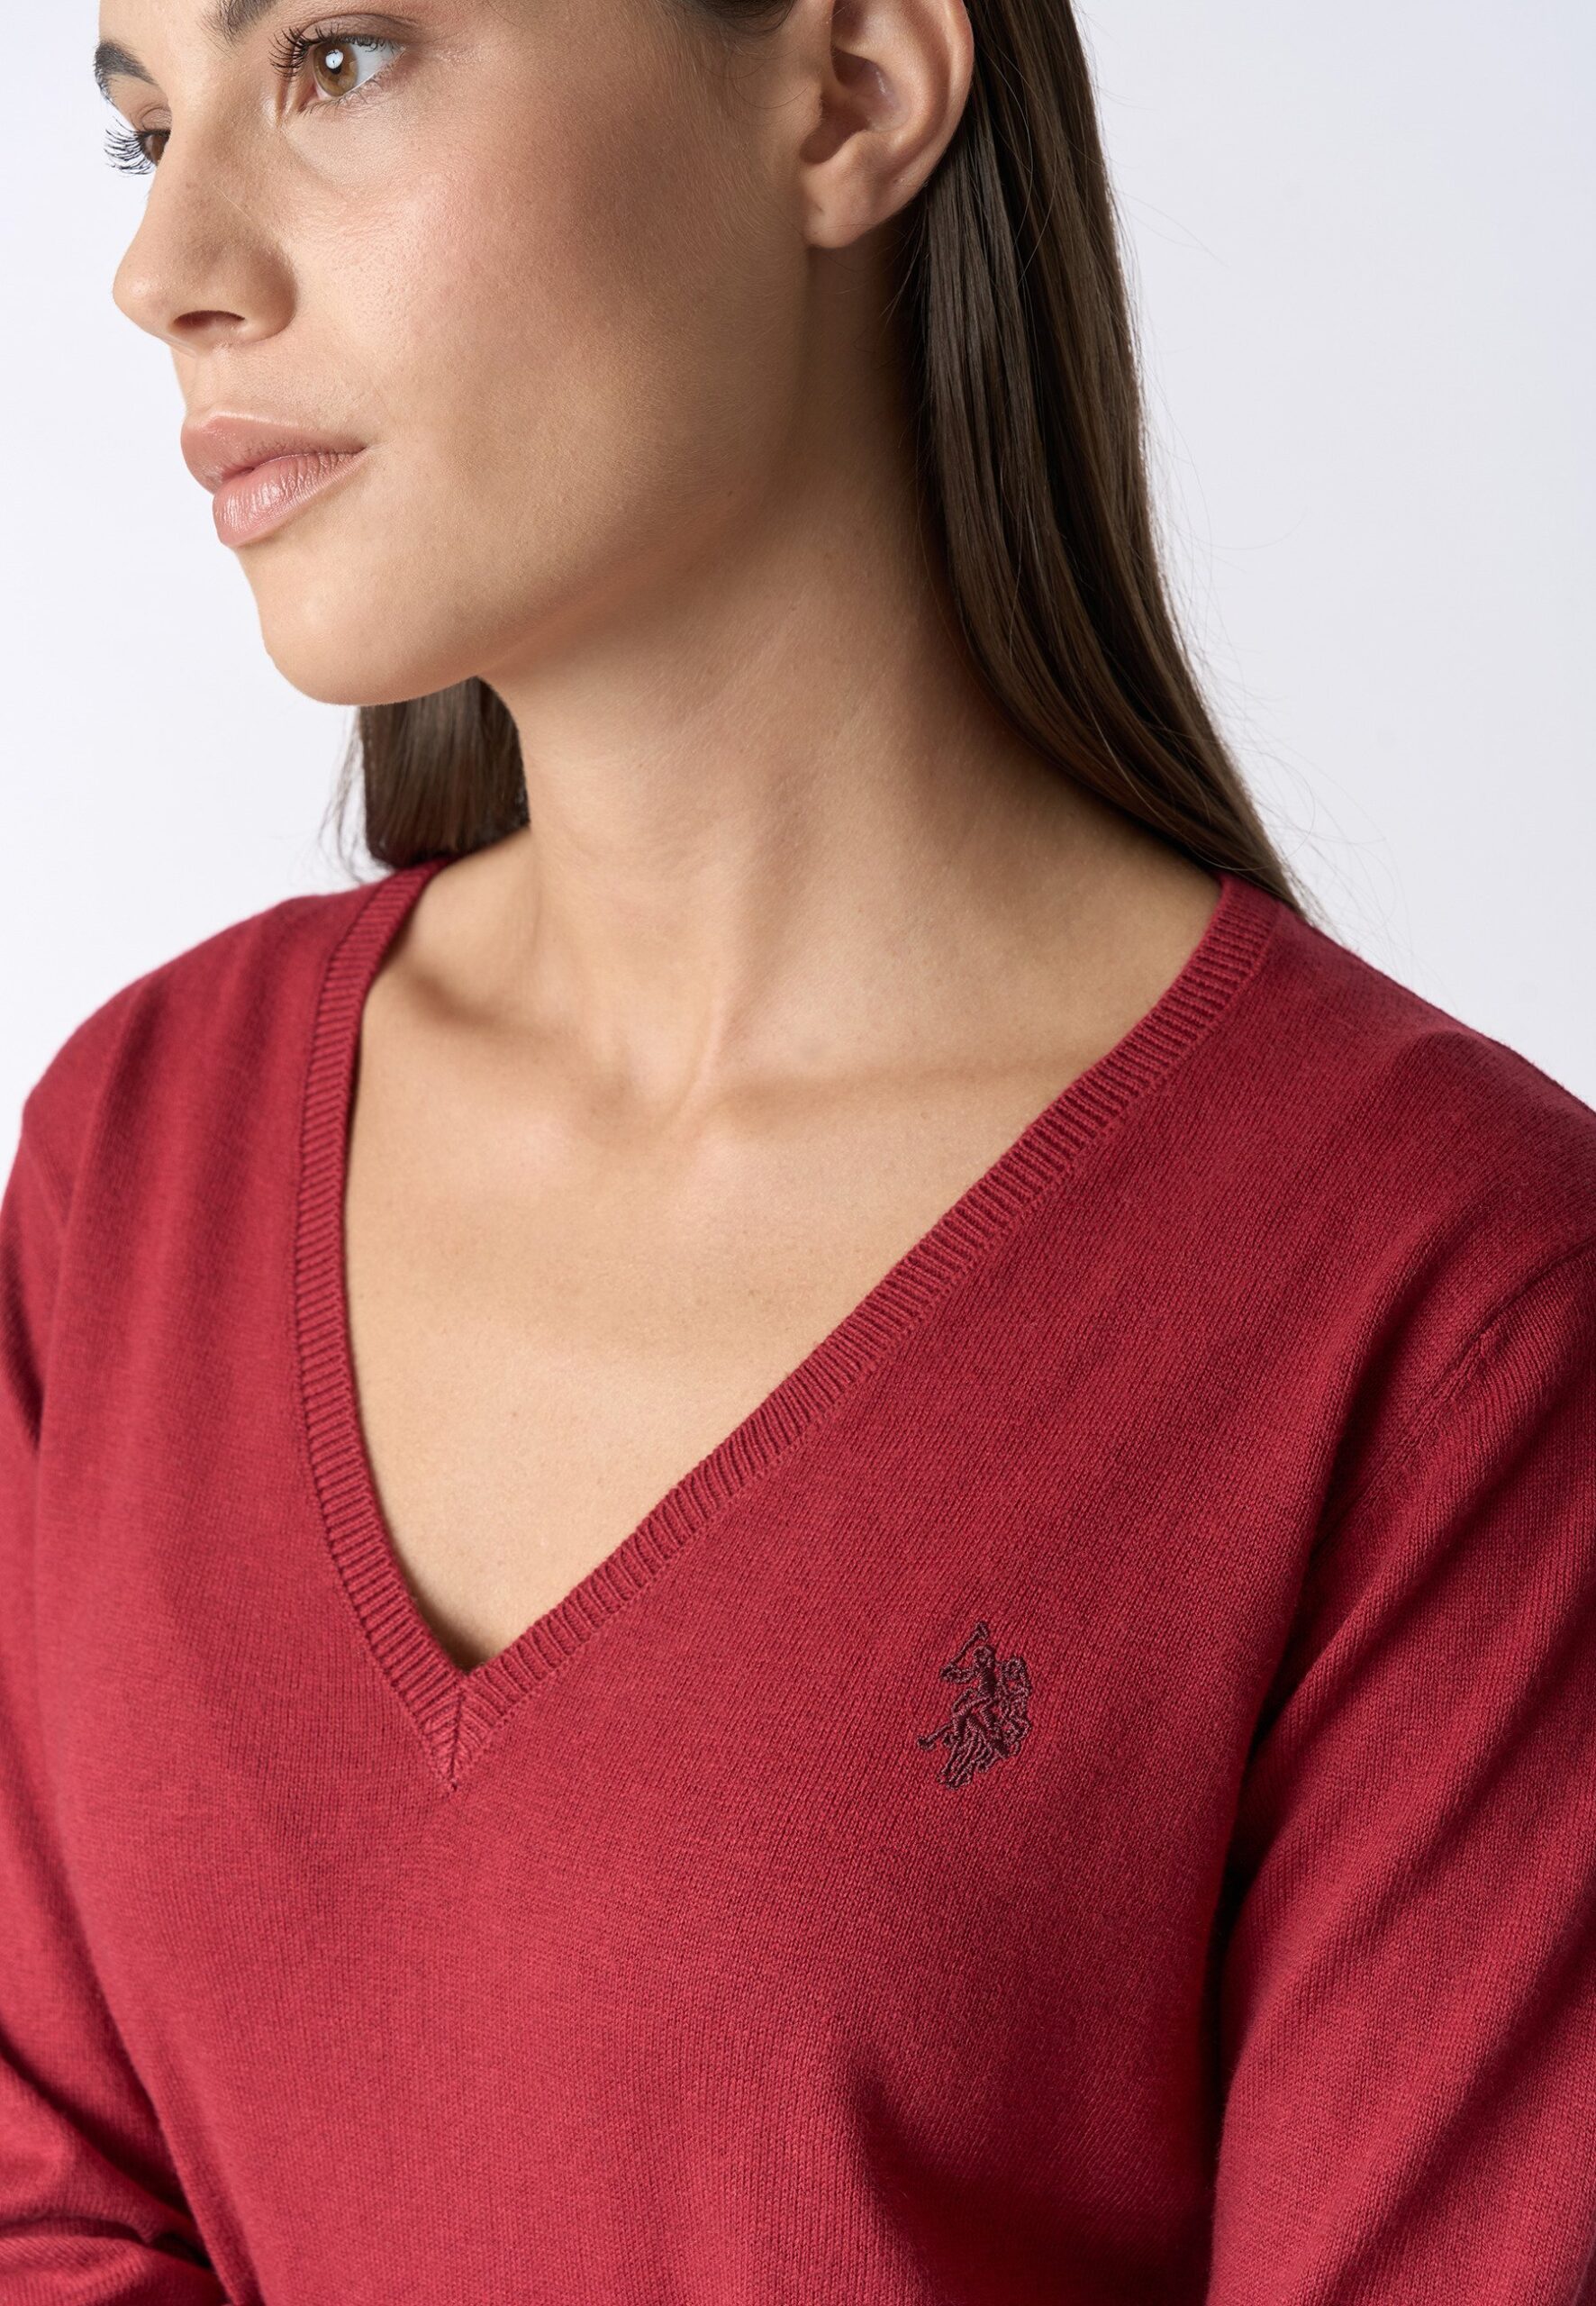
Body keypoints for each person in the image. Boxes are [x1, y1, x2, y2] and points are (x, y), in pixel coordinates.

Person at [3, 0, 1593, 2296]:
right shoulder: (134, 1162)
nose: (166, 265)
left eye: (336, 61)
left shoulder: (1447, 1316)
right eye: (142, 125)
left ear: (850, 86)